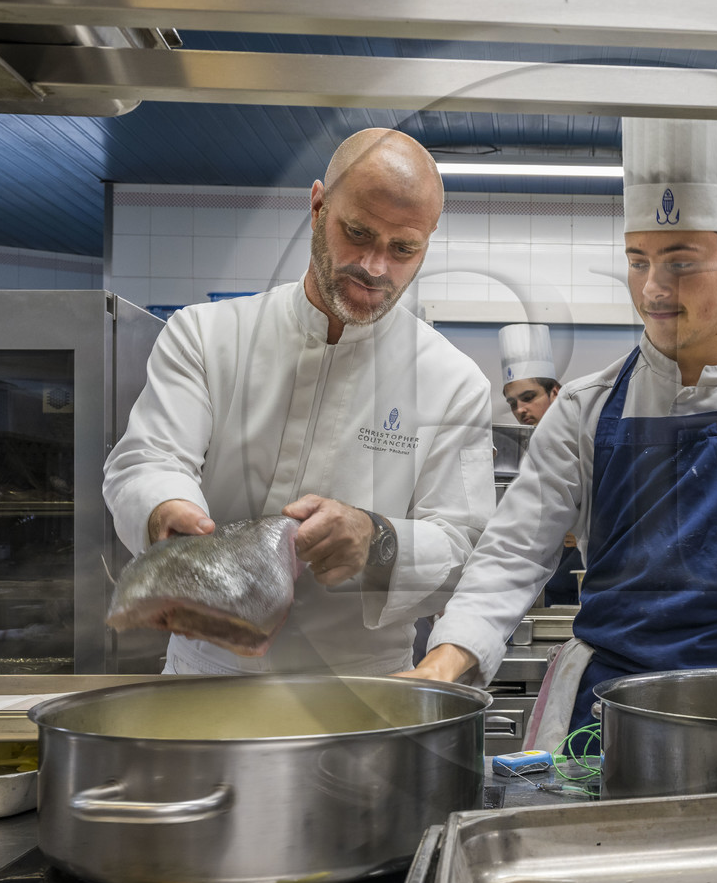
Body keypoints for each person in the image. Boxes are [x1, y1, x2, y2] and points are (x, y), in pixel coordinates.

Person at [404, 118, 717, 743]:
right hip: (608, 721)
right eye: (638, 262)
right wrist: (448, 657)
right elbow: (514, 551)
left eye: (681, 262)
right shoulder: (585, 411)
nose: (654, 289)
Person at [103, 128, 496, 675]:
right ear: (317, 206)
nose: (376, 267)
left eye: (403, 249)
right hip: (206, 682)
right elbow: (149, 460)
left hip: (361, 694)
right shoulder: (206, 335)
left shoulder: (452, 381)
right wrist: (167, 514)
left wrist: (377, 540)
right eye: (357, 233)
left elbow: (466, 544)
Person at [497, 322, 580, 607]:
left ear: (555, 392)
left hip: (580, 575)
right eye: (512, 403)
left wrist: (581, 527)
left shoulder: (587, 437)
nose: (520, 410)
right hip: (538, 578)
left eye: (529, 397)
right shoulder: (520, 449)